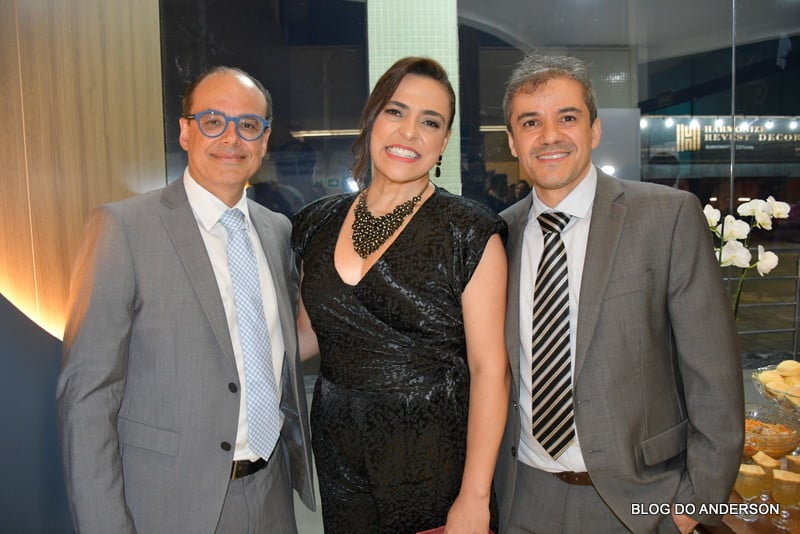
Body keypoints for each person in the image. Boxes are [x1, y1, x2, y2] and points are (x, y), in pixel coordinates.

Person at [56, 66, 314, 533]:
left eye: (248, 124)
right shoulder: (124, 229)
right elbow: (88, 397)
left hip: (272, 495)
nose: (231, 138)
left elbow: (273, 348)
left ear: (264, 140)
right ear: (185, 132)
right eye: (213, 121)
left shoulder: (277, 231)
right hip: (168, 504)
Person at [495, 54, 743, 533]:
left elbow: (713, 374)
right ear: (512, 141)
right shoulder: (496, 237)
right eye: (530, 122)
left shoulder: (667, 217)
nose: (549, 136)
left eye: (567, 118)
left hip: (641, 504)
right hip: (521, 498)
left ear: (594, 130)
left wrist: (694, 507)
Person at [292, 57, 509, 533]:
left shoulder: (469, 232)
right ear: (372, 117)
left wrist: (474, 497)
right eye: (396, 111)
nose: (409, 132)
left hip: (432, 464)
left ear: (443, 142)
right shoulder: (316, 223)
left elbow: (490, 370)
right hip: (339, 459)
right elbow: (309, 333)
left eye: (430, 122)